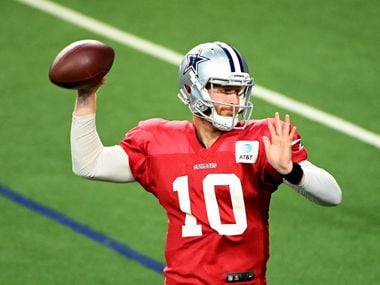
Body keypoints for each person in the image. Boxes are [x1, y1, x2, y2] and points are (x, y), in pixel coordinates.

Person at [70, 41, 342, 285]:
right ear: (192, 89)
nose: (235, 100)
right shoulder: (158, 141)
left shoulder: (265, 139)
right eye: (225, 90)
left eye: (239, 90)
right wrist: (86, 96)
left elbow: (332, 195)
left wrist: (290, 171)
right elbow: (90, 164)